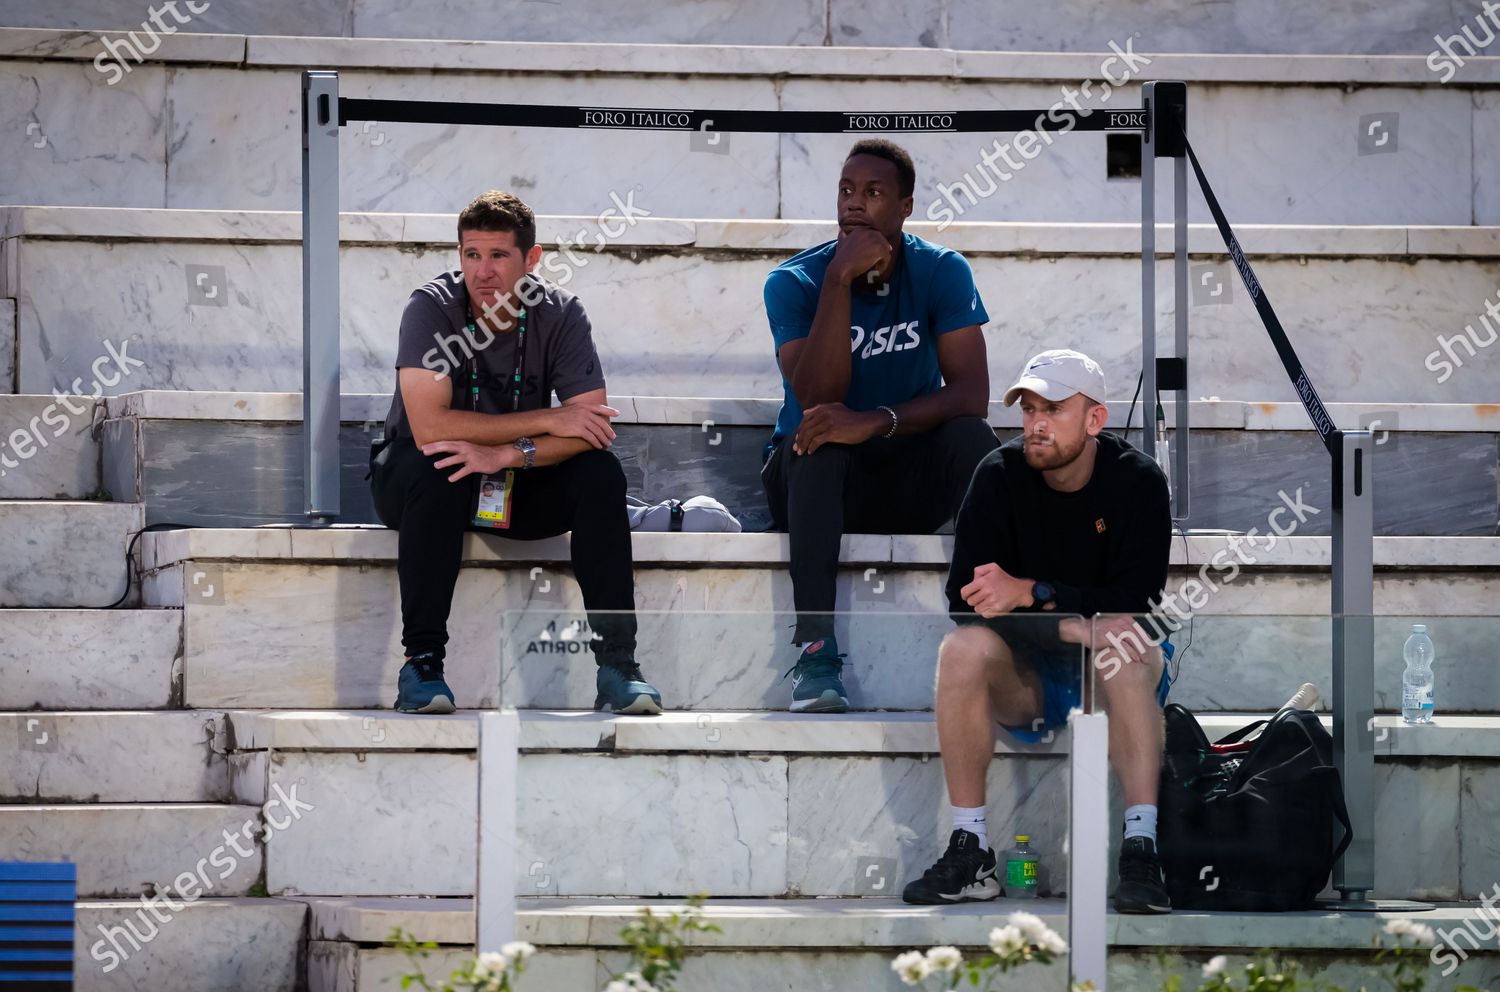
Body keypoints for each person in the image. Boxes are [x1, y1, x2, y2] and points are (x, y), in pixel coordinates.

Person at [901, 349, 1174, 914]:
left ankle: (1143, 847)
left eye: (1053, 408)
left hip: (1113, 681)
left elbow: (1137, 606)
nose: (1036, 424)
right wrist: (1073, 628)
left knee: (1122, 649)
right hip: (1027, 677)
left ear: (1095, 419)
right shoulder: (998, 476)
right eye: (1028, 409)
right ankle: (971, 848)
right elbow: (964, 601)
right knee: (962, 650)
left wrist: (1034, 593)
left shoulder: (1139, 482)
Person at [369, 190, 662, 716]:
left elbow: (591, 429)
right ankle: (422, 664)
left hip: (510, 477)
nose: (483, 272)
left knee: (600, 474)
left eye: (499, 256)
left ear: (531, 260)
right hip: (423, 480)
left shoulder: (562, 313)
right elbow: (430, 425)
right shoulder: (431, 306)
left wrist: (508, 454)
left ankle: (618, 666)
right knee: (438, 468)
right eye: (471, 255)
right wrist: (548, 419)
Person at [761, 139, 999, 713]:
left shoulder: (942, 271)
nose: (854, 205)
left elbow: (973, 395)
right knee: (821, 438)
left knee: (975, 442)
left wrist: (875, 422)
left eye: (873, 193)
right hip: (810, 481)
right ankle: (816, 656)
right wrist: (839, 282)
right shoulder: (794, 281)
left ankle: (991, 634)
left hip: (900, 469)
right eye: (846, 190)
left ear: (906, 206)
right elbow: (818, 397)